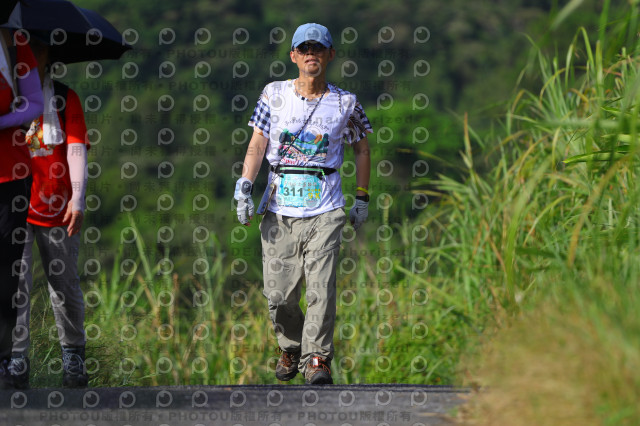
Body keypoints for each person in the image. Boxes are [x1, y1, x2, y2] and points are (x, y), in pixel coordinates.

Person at [234, 23, 372, 384]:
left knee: (321, 288)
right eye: (305, 49)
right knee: (279, 294)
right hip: (280, 209)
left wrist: (362, 197)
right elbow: (258, 142)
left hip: (326, 208)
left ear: (330, 55)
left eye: (318, 48)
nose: (312, 54)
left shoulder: (345, 102)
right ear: (294, 56)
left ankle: (317, 359)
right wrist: (244, 185)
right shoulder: (274, 94)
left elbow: (361, 148)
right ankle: (292, 346)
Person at [7, 36, 89, 389]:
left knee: (64, 286)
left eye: (37, 49)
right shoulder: (8, 100)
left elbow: (76, 149)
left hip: (57, 208)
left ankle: (73, 355)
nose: (30, 56)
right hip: (15, 206)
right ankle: (16, 359)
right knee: (16, 287)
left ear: (48, 55)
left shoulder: (64, 98)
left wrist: (78, 198)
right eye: (23, 50)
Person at [0, 28, 44, 389]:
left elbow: (34, 103)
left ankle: (3, 359)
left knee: (6, 271)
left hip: (10, 175)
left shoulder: (13, 43)